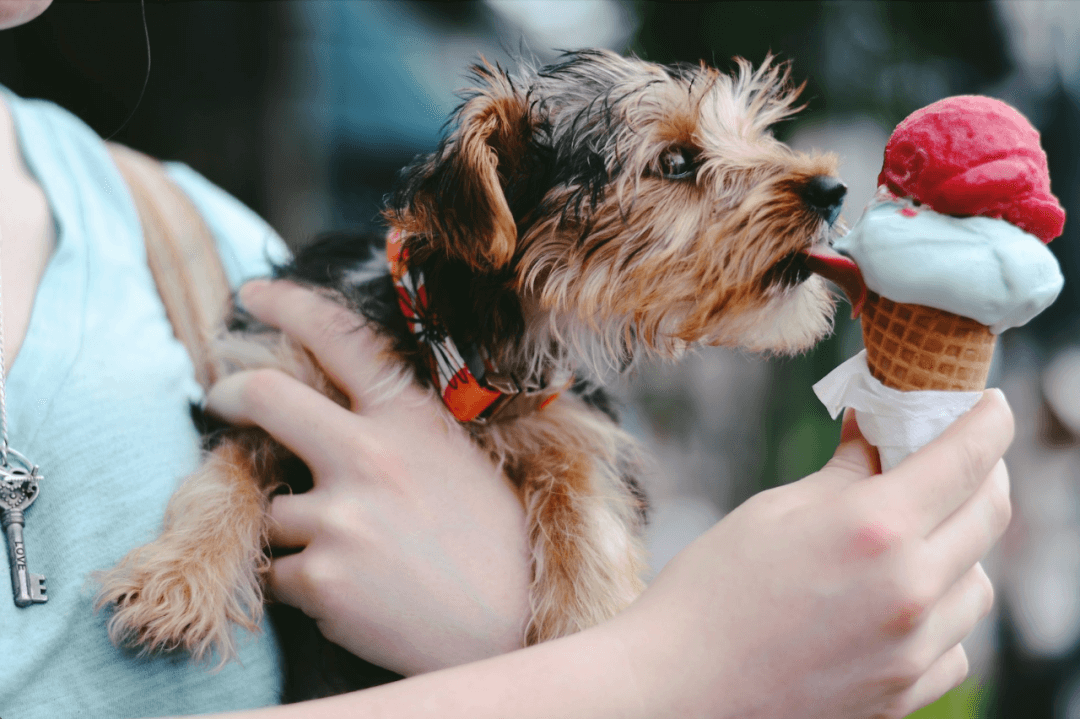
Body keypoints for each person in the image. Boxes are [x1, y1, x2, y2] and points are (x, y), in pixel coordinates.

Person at [0, 1, 1012, 717]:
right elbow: (246, 442)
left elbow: (589, 594)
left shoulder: (196, 242)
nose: (804, 184)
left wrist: (505, 638)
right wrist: (667, 673)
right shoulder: (297, 302)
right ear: (499, 202)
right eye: (676, 166)